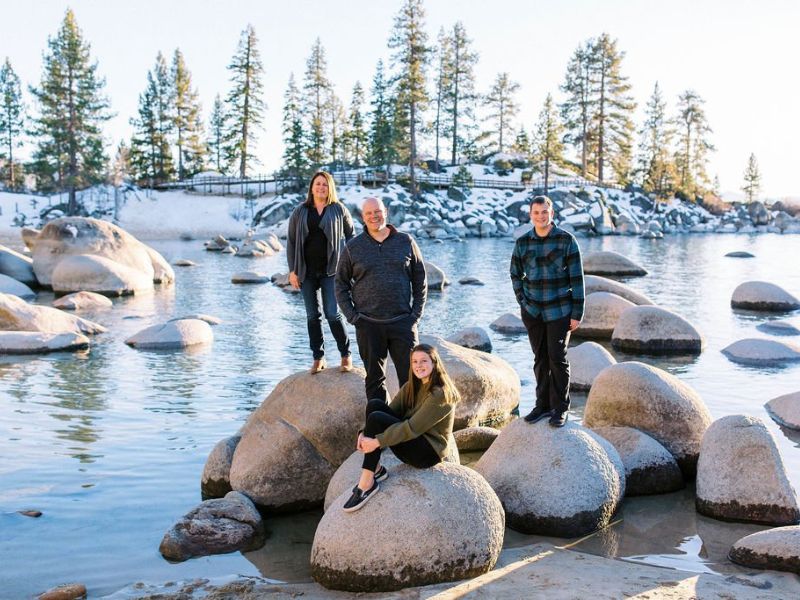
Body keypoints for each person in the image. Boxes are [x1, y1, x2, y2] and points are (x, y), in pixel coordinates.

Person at [342, 343, 460, 512]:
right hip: (413, 441)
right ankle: (376, 469)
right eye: (415, 362)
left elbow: (412, 428)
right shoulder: (412, 386)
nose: (419, 366)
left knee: (377, 417)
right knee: (375, 405)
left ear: (434, 363)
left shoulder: (440, 394)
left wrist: (377, 442)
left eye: (424, 361)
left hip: (427, 452)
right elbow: (390, 412)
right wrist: (363, 432)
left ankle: (367, 483)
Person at [335, 197, 427, 401]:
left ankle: (412, 427)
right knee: (375, 381)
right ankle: (379, 426)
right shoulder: (353, 247)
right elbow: (340, 284)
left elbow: (420, 279)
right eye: (369, 213)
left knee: (412, 379)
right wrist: (353, 317)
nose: (374, 216)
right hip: (368, 324)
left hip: (403, 322)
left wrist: (415, 315)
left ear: (385, 212)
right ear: (363, 217)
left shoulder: (406, 241)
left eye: (377, 212)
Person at [510, 195, 584, 427]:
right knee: (539, 359)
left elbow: (577, 279)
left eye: (544, 212)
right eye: (536, 213)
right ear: (530, 215)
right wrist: (522, 300)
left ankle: (560, 408)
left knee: (557, 358)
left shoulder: (566, 240)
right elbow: (515, 274)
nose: (541, 216)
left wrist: (577, 312)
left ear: (552, 214)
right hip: (532, 310)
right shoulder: (523, 243)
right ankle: (542, 405)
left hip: (559, 310)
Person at [286, 171, 355, 374]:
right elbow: (291, 242)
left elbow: (351, 237)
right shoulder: (300, 211)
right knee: (312, 316)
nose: (321, 187)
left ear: (330, 187)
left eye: (325, 184)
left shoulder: (339, 209)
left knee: (333, 314)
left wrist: (350, 265)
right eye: (317, 184)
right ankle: (318, 357)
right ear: (312, 187)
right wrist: (292, 271)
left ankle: (345, 355)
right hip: (306, 271)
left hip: (331, 272)